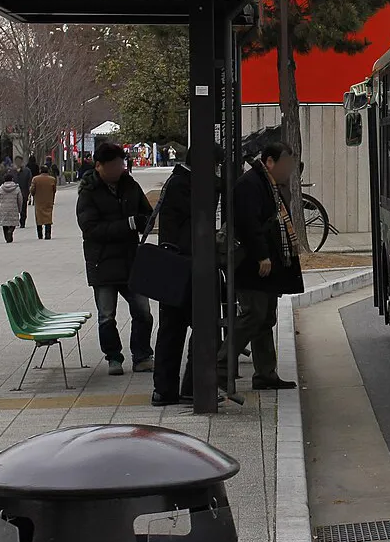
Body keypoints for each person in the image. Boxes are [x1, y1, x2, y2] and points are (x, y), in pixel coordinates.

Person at [226, 141, 305, 391]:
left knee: (266, 318)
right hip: (252, 265)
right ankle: (219, 363)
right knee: (254, 315)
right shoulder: (250, 184)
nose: (288, 170)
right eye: (284, 164)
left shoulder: (270, 185)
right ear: (269, 162)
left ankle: (265, 373)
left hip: (268, 265)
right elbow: (249, 224)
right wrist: (262, 255)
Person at [151, 144, 222, 407]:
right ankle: (180, 387)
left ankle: (174, 388)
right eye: (215, 166)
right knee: (182, 328)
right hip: (182, 266)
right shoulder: (183, 185)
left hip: (180, 265)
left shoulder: (181, 181)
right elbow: (201, 209)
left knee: (175, 329)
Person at [77, 142, 155, 376]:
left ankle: (142, 355)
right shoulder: (88, 191)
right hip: (102, 262)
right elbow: (90, 228)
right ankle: (113, 357)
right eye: (113, 165)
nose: (118, 169)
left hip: (132, 259)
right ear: (99, 166)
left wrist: (144, 222)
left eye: (121, 164)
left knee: (143, 311)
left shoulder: (130, 184)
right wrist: (128, 224)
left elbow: (147, 214)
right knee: (106, 315)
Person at [0, 172, 22, 243]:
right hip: (13, 207)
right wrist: (19, 208)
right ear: (12, 179)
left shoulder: (1, 188)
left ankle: (7, 237)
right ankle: (11, 230)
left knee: (4, 223)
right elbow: (20, 199)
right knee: (13, 222)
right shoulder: (16, 188)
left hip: (3, 208)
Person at [31, 165, 57, 239]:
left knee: (39, 217)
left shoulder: (35, 179)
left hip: (38, 201)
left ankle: (40, 234)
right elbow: (54, 190)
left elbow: (32, 190)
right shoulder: (52, 179)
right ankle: (48, 233)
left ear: (40, 171)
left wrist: (33, 195)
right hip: (48, 200)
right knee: (48, 217)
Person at [14, 156, 33, 228]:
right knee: (14, 208)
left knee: (23, 208)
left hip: (24, 192)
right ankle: (14, 222)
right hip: (14, 193)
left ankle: (22, 222)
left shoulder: (27, 171)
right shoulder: (12, 171)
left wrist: (29, 191)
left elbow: (29, 181)